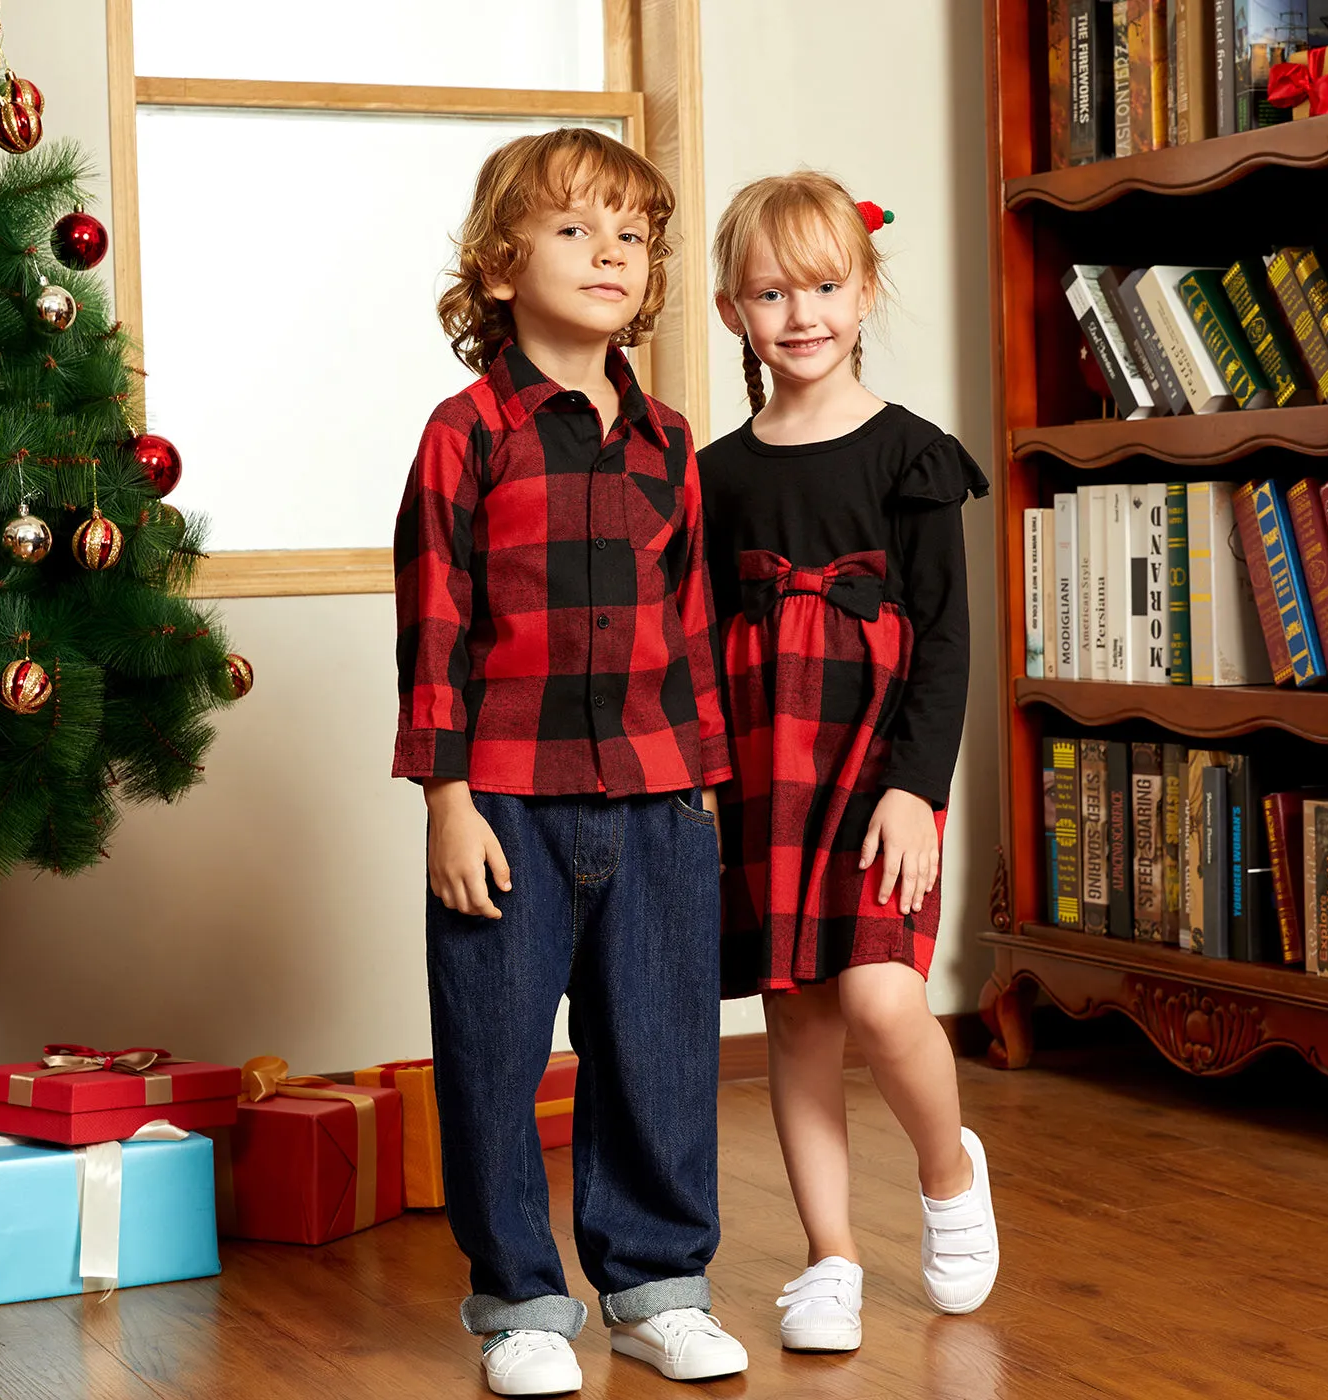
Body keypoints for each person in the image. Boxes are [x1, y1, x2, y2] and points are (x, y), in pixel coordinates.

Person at [392, 127, 748, 1396]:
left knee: (658, 1047)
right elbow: (433, 622)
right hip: (504, 796)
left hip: (658, 796)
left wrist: (703, 787)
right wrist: (444, 795)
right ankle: (519, 1302)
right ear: (498, 267)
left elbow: (689, 623)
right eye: (572, 229)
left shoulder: (666, 440)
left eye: (632, 237)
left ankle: (656, 1284)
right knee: (491, 1051)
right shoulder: (465, 433)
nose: (610, 253)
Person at [698, 171, 999, 1353]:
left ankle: (944, 1166)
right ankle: (830, 1255)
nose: (801, 312)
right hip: (767, 775)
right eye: (771, 293)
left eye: (824, 285)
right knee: (798, 1019)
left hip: (879, 779)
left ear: (864, 291)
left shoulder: (911, 458)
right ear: (733, 311)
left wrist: (917, 790)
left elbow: (946, 640)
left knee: (880, 996)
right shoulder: (716, 476)